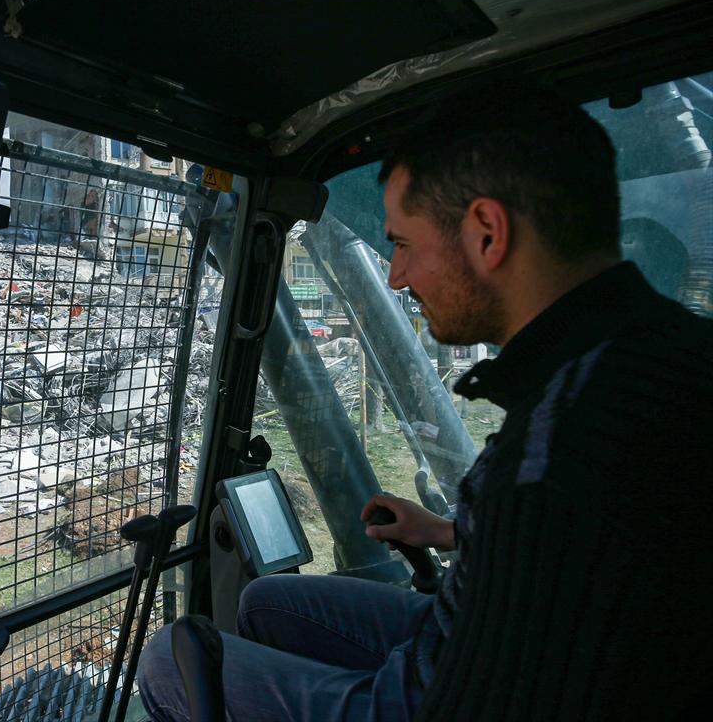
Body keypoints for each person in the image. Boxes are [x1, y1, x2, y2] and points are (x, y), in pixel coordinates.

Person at [138, 84, 713, 720]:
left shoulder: (559, 448)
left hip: (447, 682)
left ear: (487, 233)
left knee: (169, 661)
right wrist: (446, 531)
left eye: (404, 243)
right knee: (266, 602)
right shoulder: (639, 360)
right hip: (475, 627)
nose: (396, 276)